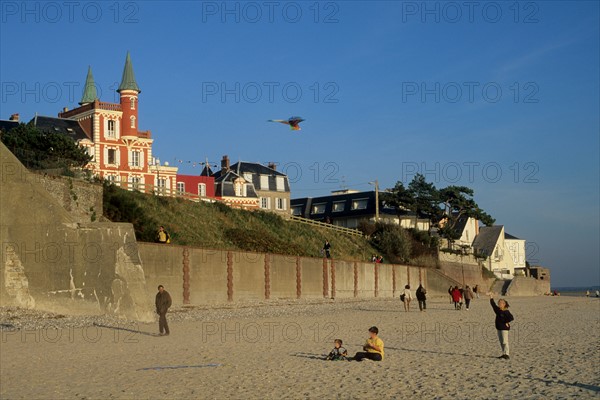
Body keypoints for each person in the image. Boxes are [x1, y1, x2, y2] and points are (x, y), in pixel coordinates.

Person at [489, 292, 514, 359]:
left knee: (505, 341)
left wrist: (507, 322)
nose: (499, 304)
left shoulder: (506, 311)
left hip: (504, 328)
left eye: (500, 303)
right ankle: (504, 353)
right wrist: (491, 297)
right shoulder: (498, 310)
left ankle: (507, 354)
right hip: (499, 327)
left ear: (504, 304)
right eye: (499, 303)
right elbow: (493, 305)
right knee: (501, 342)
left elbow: (511, 318)